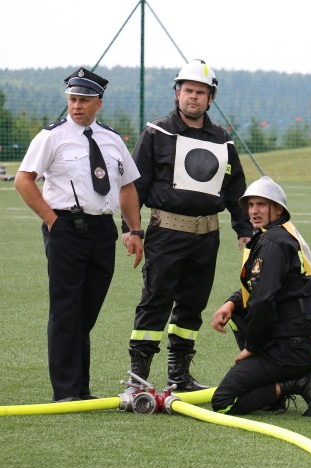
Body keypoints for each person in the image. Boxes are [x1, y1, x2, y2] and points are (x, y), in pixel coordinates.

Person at [14, 67, 144, 402]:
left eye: (84, 100)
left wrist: (134, 230)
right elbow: (24, 180)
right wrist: (51, 220)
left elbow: (127, 186)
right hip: (66, 228)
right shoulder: (51, 137)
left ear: (98, 103)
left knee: (87, 310)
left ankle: (79, 388)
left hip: (102, 232)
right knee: (66, 309)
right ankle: (67, 393)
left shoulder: (112, 140)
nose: (76, 106)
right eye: (73, 99)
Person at [122, 59, 253, 392]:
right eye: (188, 90)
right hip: (165, 233)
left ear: (211, 98)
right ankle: (137, 379)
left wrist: (244, 229)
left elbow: (236, 187)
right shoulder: (156, 132)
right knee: (156, 302)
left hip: (207, 236)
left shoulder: (223, 139)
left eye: (201, 92)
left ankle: (179, 377)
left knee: (192, 306)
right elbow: (135, 186)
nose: (193, 97)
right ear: (177, 93)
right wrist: (133, 230)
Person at [210, 176, 311, 417]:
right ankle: (273, 395)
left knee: (223, 402)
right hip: (300, 339)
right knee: (237, 312)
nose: (254, 211)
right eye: (251, 205)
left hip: (293, 346)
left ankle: (299, 383)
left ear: (278, 209)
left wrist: (252, 348)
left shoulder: (274, 241)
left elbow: (262, 299)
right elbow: (262, 287)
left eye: (261, 204)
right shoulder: (279, 233)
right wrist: (231, 303)